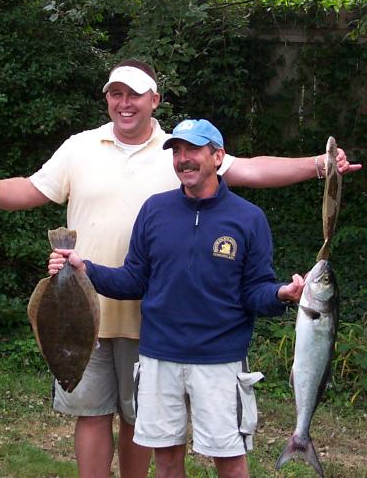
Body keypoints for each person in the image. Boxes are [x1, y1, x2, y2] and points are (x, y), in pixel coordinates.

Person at [0, 59, 360, 478]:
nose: (124, 103)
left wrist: (320, 164)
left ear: (155, 100)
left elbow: (254, 169)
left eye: (134, 94)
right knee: (91, 414)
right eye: (116, 94)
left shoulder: (181, 148)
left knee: (140, 424)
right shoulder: (81, 147)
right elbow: (31, 188)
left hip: (151, 324)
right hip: (84, 308)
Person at [47, 118, 304, 478]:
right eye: (177, 151)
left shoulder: (248, 218)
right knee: (167, 463)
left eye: (193, 150)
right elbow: (133, 280)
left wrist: (281, 293)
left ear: (218, 156)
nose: (183, 159)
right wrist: (84, 268)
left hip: (219, 360)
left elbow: (255, 290)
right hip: (158, 358)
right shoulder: (155, 210)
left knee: (230, 463)